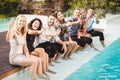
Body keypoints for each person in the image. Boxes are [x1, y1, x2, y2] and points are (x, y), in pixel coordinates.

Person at [6, 14, 45, 80]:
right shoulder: (13, 31)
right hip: (14, 58)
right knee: (34, 62)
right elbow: (8, 39)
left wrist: (28, 56)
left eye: (24, 21)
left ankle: (40, 76)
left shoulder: (23, 32)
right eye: (20, 20)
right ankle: (33, 78)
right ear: (17, 21)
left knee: (39, 60)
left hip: (22, 55)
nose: (22, 22)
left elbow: (25, 47)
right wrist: (10, 28)